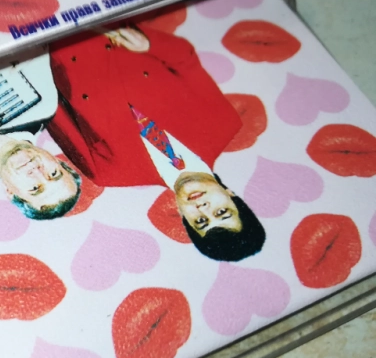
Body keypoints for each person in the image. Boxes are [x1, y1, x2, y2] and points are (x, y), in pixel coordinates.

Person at [47, 25, 266, 261]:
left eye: (200, 221)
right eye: (221, 211)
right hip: (110, 22)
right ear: (232, 195)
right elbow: (185, 59)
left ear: (184, 218)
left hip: (53, 42)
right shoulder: (223, 123)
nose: (203, 208)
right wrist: (149, 44)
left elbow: (51, 110)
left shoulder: (109, 173)